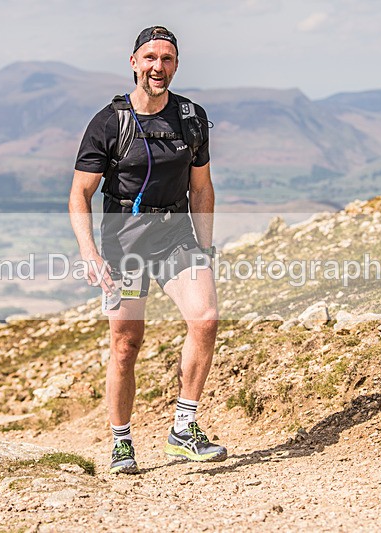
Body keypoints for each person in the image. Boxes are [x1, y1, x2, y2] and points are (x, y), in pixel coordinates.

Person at [68, 25, 226, 474]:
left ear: (176, 65)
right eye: (151, 58)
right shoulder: (108, 122)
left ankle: (183, 427)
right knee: (126, 344)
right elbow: (79, 194)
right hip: (124, 244)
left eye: (168, 59)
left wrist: (206, 248)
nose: (159, 67)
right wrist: (89, 253)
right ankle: (121, 440)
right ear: (134, 62)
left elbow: (202, 187)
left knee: (206, 318)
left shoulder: (191, 118)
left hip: (175, 237)